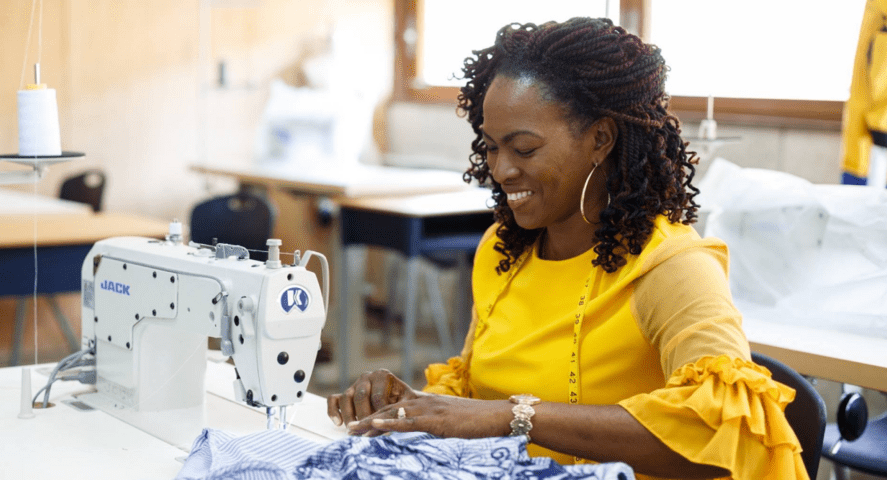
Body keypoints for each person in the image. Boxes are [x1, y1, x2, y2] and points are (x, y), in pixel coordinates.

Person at [327, 17, 807, 480]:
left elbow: (721, 432)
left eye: (524, 149)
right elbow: (475, 393)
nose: (500, 169)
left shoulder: (672, 267)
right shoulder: (503, 251)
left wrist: (508, 418)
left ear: (600, 138)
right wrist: (413, 404)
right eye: (491, 147)